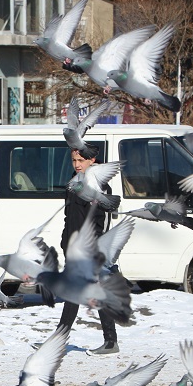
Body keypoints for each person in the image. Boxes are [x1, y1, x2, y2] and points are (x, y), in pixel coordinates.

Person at [56, 145, 118, 355]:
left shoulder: (100, 187)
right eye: (74, 161)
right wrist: (65, 243)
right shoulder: (72, 184)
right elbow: (69, 218)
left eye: (81, 161)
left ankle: (59, 341)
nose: (77, 165)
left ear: (92, 161)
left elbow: (105, 223)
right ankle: (110, 341)